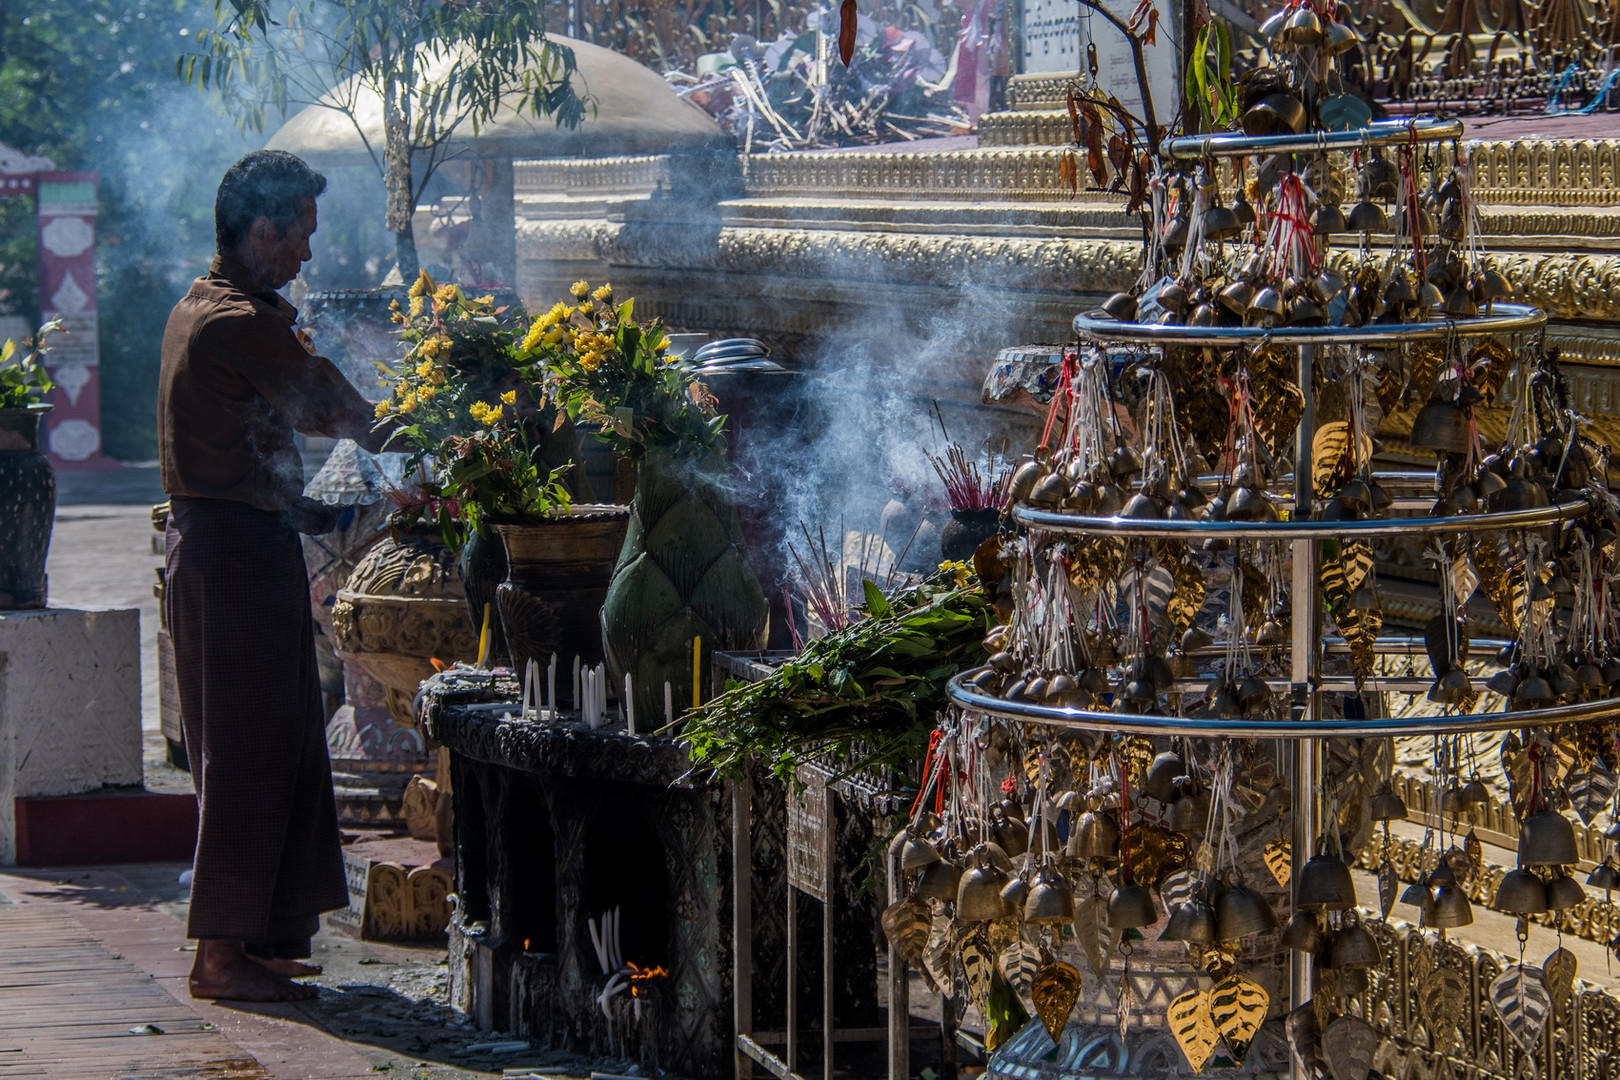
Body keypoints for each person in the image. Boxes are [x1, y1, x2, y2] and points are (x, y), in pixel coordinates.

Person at [159, 150, 396, 1002]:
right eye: (300, 234)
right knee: (250, 749)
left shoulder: (209, 302)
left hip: (242, 545)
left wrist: (303, 512)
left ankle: (261, 935)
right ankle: (220, 955)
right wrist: (421, 431)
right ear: (261, 230)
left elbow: (249, 442)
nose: (307, 253)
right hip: (230, 558)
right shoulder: (235, 321)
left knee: (284, 737)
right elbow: (327, 404)